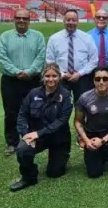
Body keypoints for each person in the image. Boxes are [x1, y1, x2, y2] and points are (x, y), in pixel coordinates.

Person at [10, 63, 73, 192]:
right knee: (22, 149)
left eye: (54, 76)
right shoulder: (33, 93)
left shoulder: (66, 95)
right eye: (47, 76)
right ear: (42, 77)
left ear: (59, 77)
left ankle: (63, 156)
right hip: (37, 137)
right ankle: (29, 177)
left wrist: (38, 133)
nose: (51, 79)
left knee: (54, 173)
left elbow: (61, 121)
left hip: (58, 138)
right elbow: (22, 115)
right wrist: (26, 134)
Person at [0, 8, 47, 156]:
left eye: (25, 18)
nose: (21, 21)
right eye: (19, 18)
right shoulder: (5, 37)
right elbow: (2, 57)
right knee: (11, 112)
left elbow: (41, 56)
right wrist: (16, 72)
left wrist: (29, 72)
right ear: (14, 19)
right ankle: (11, 142)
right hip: (10, 81)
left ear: (29, 21)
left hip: (32, 80)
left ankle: (32, 138)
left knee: (35, 110)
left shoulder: (38, 36)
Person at [46, 9, 98, 103]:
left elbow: (94, 60)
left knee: (82, 106)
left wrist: (79, 73)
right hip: (60, 78)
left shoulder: (87, 38)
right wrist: (62, 74)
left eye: (74, 20)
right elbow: (50, 60)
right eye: (68, 20)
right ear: (64, 21)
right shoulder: (54, 39)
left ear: (78, 21)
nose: (71, 22)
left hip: (82, 78)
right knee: (59, 105)